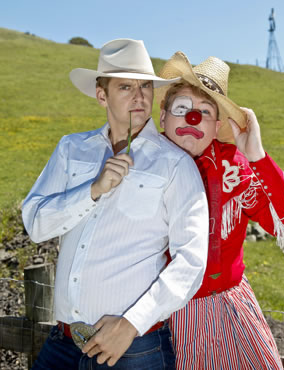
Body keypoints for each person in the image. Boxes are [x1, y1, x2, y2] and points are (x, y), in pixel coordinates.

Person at [22, 39, 209, 369]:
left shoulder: (175, 164)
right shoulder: (71, 149)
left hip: (133, 350)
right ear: (101, 94)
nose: (140, 97)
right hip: (62, 344)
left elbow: (191, 261)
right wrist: (92, 190)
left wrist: (131, 324)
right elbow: (36, 224)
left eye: (145, 86)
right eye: (125, 86)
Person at [156, 52, 284, 369]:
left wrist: (257, 156)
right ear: (163, 117)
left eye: (204, 111)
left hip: (231, 310)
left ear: (217, 126)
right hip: (160, 316)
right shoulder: (141, 167)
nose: (192, 119)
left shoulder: (235, 170)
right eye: (182, 109)